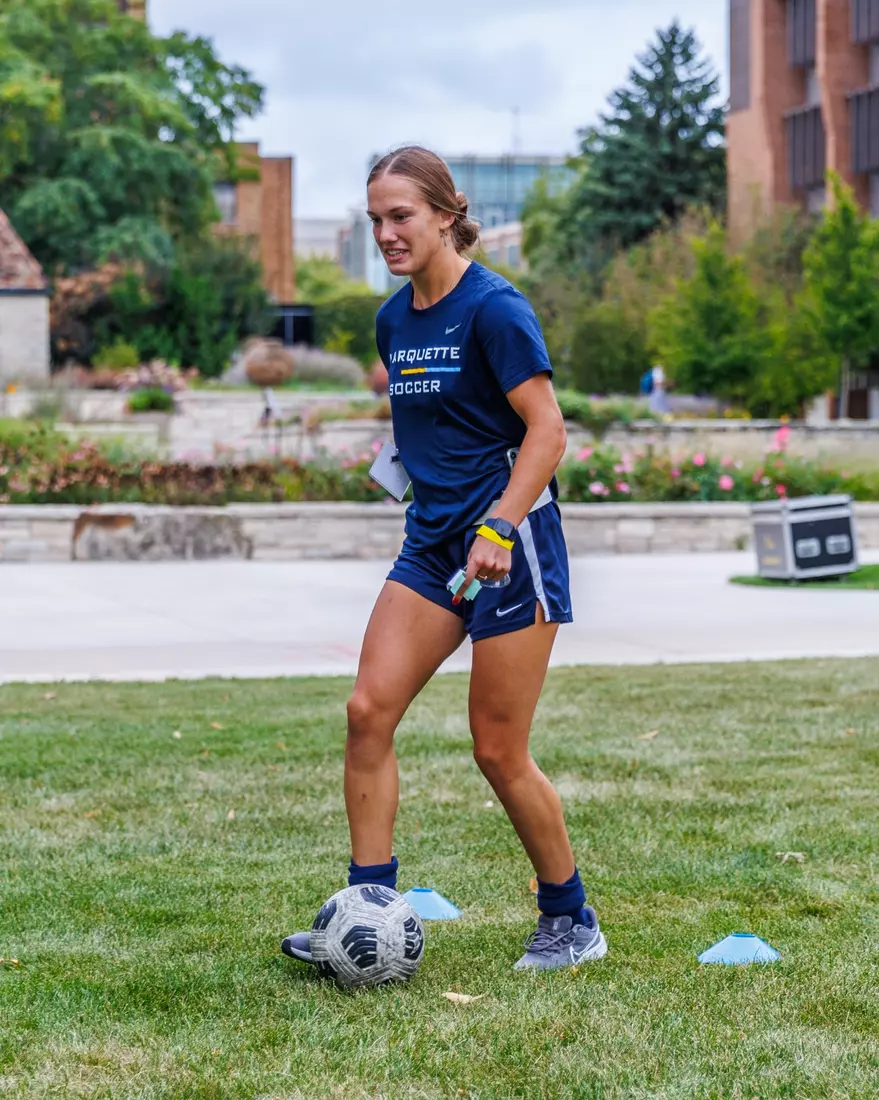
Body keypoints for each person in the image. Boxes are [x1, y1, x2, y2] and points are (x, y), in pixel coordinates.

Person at [282, 146, 607, 972]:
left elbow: (548, 430)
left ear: (444, 214)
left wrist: (497, 526)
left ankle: (571, 918)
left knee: (497, 749)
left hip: (512, 546)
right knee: (367, 713)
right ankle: (364, 911)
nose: (387, 234)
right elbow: (429, 429)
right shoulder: (395, 321)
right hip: (432, 549)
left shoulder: (494, 309)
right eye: (375, 221)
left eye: (401, 217)